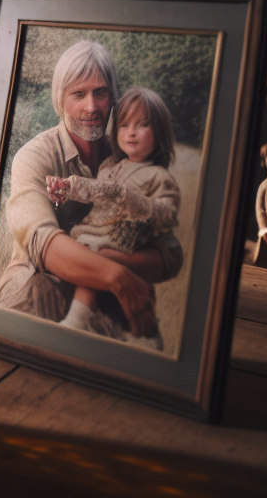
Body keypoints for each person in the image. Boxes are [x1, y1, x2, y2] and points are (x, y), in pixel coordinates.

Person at [0, 40, 183, 339]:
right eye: (78, 94)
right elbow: (43, 243)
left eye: (100, 92)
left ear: (113, 97)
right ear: (60, 100)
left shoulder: (130, 155)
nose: (91, 106)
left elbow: (170, 254)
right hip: (36, 293)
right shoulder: (33, 157)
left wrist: (114, 264)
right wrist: (119, 276)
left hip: (105, 305)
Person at [46, 87, 181, 349]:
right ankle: (134, 330)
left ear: (160, 134)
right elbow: (93, 192)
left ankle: (78, 320)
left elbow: (167, 213)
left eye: (142, 125)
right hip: (95, 230)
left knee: (95, 259)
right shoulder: (110, 167)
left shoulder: (159, 177)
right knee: (80, 255)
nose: (131, 132)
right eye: (124, 124)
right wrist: (67, 190)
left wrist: (139, 203)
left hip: (123, 240)